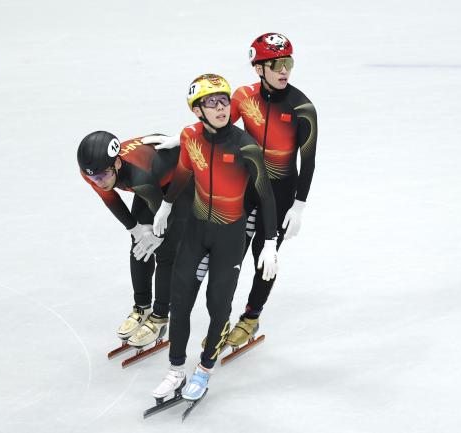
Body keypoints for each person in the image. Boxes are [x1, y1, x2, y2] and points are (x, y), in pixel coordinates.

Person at [146, 33, 319, 348]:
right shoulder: (241, 97)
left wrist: (299, 206)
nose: (285, 71)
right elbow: (215, 125)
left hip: (278, 195)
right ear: (258, 68)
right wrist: (180, 138)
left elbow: (308, 161)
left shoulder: (302, 108)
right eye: (277, 64)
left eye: (289, 64)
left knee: (264, 257)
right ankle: (219, 320)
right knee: (229, 256)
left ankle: (251, 316)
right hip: (243, 189)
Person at [151, 74, 278, 402]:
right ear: (197, 110)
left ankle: (205, 369)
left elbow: (266, 195)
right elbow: (183, 171)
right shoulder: (190, 136)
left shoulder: (245, 146)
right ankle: (176, 369)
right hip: (196, 231)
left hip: (230, 236)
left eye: (224, 101)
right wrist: (165, 205)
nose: (221, 108)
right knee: (180, 302)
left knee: (217, 304)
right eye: (212, 103)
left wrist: (270, 242)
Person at [77, 131, 191, 347]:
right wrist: (136, 229)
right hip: (151, 178)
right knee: (140, 246)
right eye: (93, 178)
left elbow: (165, 214)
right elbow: (111, 200)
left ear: (117, 164)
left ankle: (159, 317)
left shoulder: (140, 179)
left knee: (166, 252)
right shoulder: (91, 171)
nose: (99, 183)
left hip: (180, 181)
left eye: (103, 176)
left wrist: (158, 236)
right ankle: (142, 307)